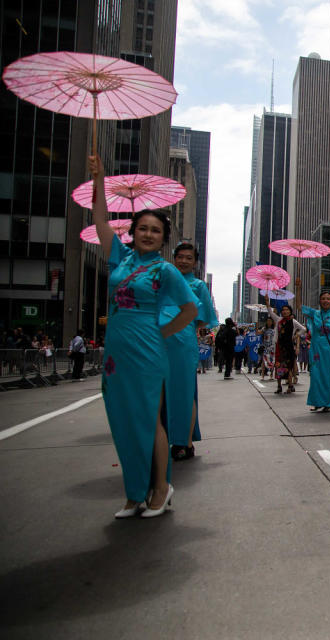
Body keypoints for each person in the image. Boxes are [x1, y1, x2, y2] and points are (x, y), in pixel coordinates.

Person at [88, 153, 198, 518]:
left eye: (155, 231)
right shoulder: (119, 260)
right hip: (116, 353)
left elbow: (190, 310)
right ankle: (135, 492)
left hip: (149, 352)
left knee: (149, 419)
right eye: (142, 228)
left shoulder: (165, 271)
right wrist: (100, 180)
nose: (148, 234)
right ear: (132, 233)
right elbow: (100, 220)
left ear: (163, 238)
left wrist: (161, 331)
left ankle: (161, 488)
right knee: (121, 419)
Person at [162, 242, 217, 461]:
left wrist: (187, 327)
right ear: (173, 258)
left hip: (184, 343)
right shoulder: (163, 282)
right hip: (159, 342)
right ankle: (161, 438)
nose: (184, 261)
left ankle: (184, 441)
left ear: (195, 263)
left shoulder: (198, 286)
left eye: (189, 258)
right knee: (160, 392)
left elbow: (205, 318)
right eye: (180, 257)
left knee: (184, 391)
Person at [269, 303, 305, 394]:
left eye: (287, 310)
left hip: (288, 347)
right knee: (278, 366)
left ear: (290, 311)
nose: (285, 311)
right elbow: (270, 312)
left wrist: (296, 335)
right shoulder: (278, 320)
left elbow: (303, 329)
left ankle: (290, 385)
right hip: (279, 347)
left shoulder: (293, 321)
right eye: (283, 310)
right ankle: (279, 386)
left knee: (288, 367)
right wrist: (267, 303)